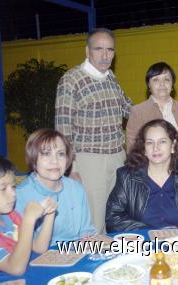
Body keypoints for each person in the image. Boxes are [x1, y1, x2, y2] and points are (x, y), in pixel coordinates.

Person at [55, 28, 132, 233]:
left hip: (117, 158)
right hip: (90, 162)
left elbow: (128, 109)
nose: (105, 55)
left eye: (110, 50)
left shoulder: (111, 78)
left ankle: (115, 263)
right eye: (99, 49)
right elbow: (62, 129)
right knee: (94, 223)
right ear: (87, 51)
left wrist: (159, 105)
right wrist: (71, 168)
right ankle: (92, 264)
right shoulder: (71, 79)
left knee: (117, 219)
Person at [105, 119, 178, 232]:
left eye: (162, 141)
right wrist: (148, 231)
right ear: (144, 148)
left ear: (173, 146)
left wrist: (177, 230)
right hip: (141, 243)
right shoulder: (127, 176)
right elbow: (113, 218)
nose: (155, 148)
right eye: (150, 142)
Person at [0, 152, 56, 275]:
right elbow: (16, 269)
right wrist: (29, 221)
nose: (13, 194)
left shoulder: (10, 217)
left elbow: (39, 247)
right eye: (3, 189)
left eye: (13, 186)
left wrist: (49, 214)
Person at [16, 129, 96, 245]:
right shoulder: (20, 195)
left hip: (76, 254)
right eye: (46, 154)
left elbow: (86, 231)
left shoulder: (76, 189)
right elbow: (21, 244)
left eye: (61, 154)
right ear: (33, 158)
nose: (55, 161)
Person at [126, 62, 178, 151]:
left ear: (172, 84)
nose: (162, 84)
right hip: (149, 164)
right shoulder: (137, 112)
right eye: (156, 80)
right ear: (149, 85)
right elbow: (132, 148)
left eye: (167, 79)